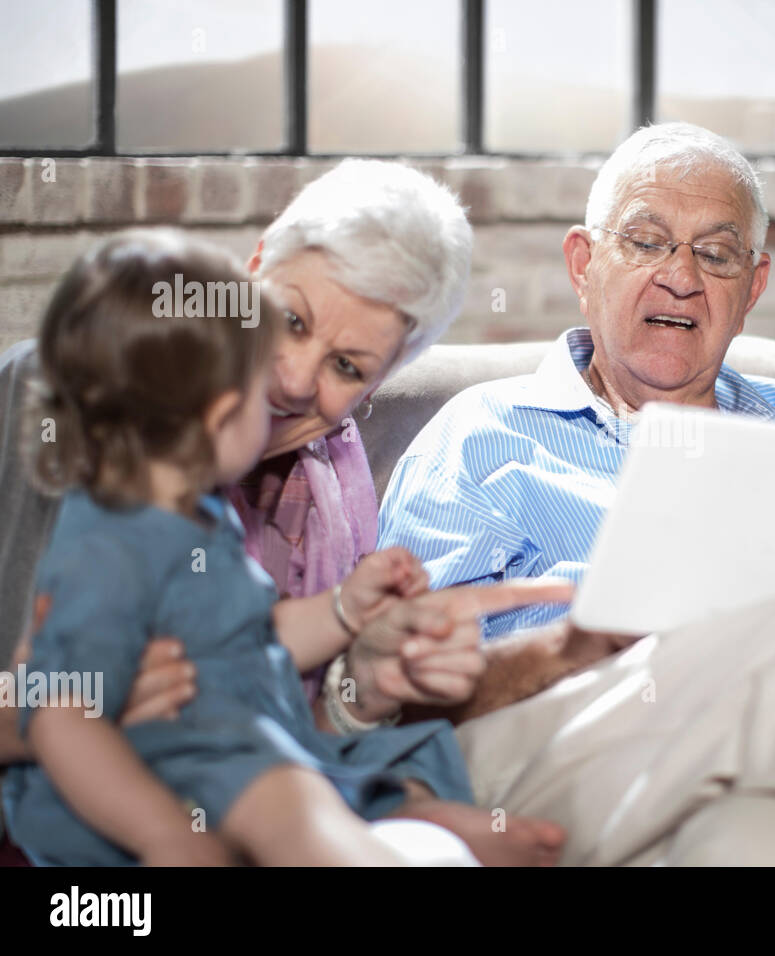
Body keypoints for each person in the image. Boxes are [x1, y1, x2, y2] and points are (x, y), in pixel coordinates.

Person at [375, 123, 775, 865]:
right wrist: (579, 650)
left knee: (760, 840)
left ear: (752, 288)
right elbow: (404, 698)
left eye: (716, 254)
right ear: (583, 264)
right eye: (648, 241)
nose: (681, 276)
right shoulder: (479, 434)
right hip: (544, 761)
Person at [0, 161, 568, 865]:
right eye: (289, 320)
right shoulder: (82, 419)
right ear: (255, 265)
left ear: (377, 387)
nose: (294, 380)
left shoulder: (284, 493)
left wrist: (358, 660)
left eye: (348, 367)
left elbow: (259, 665)